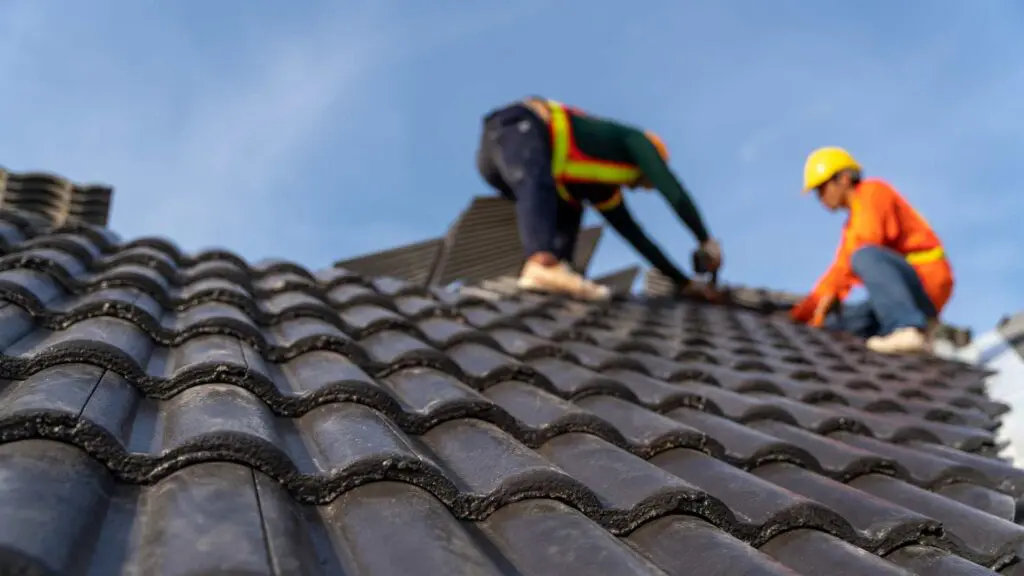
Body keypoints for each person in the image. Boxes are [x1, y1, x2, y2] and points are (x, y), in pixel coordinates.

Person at [475, 96, 723, 301]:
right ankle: (542, 263)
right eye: (644, 182)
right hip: (515, 128)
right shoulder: (638, 141)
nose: (639, 188)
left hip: (503, 158)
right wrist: (705, 239)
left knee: (569, 207)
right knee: (539, 184)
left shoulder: (600, 187)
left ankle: (559, 271)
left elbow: (635, 236)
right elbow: (673, 192)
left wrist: (684, 283)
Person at [789, 146, 955, 354]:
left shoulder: (873, 192)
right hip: (902, 294)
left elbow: (866, 244)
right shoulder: (851, 225)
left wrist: (833, 293)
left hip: (925, 282)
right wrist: (802, 314)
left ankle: (907, 328)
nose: (820, 197)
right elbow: (838, 270)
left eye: (822, 188)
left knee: (864, 255)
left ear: (844, 178)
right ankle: (916, 333)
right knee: (838, 324)